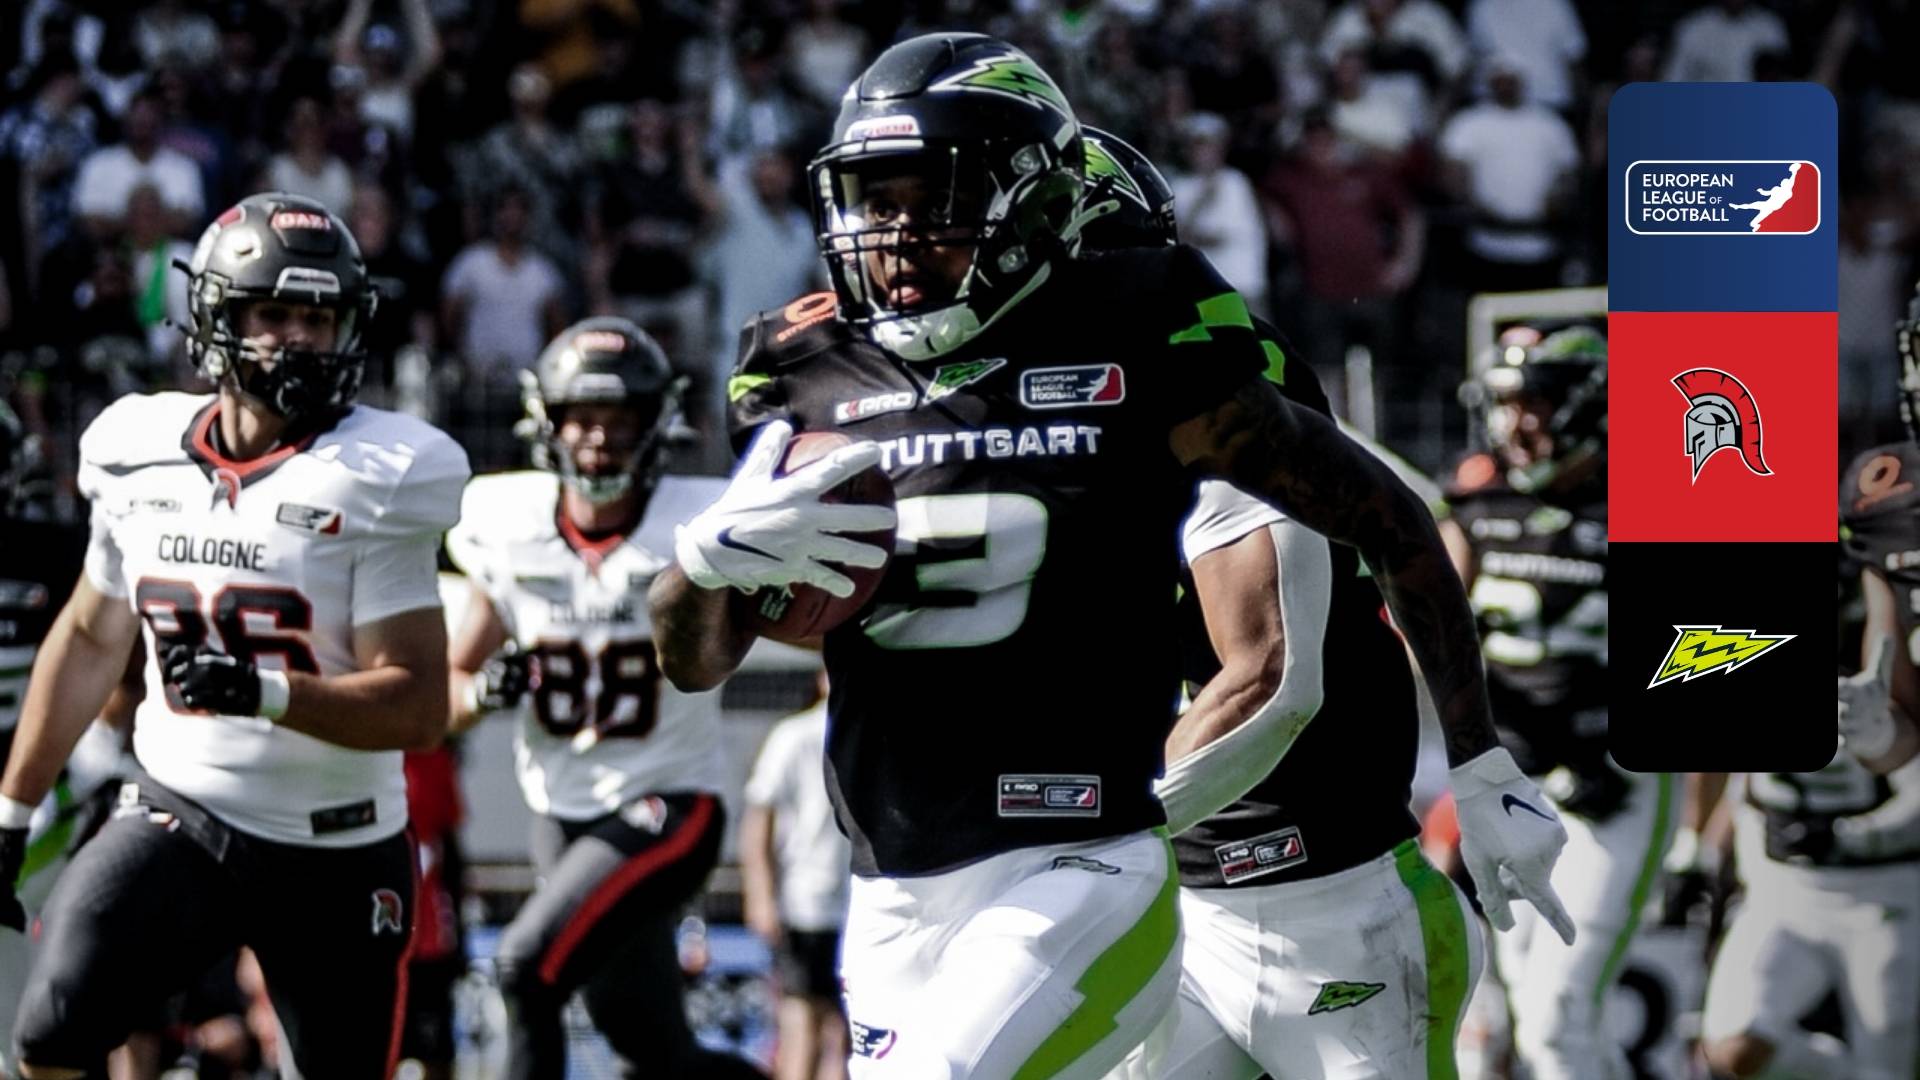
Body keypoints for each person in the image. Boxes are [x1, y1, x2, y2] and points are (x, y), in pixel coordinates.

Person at [650, 34, 1568, 1079]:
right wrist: (704, 568)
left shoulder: (1171, 368)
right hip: (972, 878)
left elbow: (1278, 675)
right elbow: (745, 640)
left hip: (1297, 884)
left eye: (934, 200)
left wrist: (1478, 759)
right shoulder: (827, 375)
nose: (901, 236)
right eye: (878, 201)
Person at [0, 191, 469, 1078]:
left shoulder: (381, 472)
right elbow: (93, 637)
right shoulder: (135, 448)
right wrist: (11, 809)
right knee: (50, 1033)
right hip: (183, 812)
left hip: (336, 847)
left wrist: (264, 693)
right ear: (217, 318)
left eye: (318, 319)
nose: (299, 340)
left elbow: (415, 707)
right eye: (274, 315)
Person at [1076, 126, 1495, 1079]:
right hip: (1187, 905)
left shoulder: (1208, 379)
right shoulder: (1041, 415)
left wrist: (1081, 832)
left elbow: (1270, 677)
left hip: (1333, 900)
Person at [444, 317, 762, 1080]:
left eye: (620, 419)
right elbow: (447, 692)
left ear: (656, 424)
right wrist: (484, 691)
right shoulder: (507, 524)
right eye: (582, 418)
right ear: (547, 422)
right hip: (561, 815)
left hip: (669, 804)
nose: (599, 439)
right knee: (650, 1049)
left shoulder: (698, 520)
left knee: (525, 969)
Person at [1700, 286, 1920, 1080]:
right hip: (1784, 873)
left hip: (1887, 871)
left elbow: (1900, 711)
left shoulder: (1874, 561)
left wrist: (1885, 740)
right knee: (1733, 1047)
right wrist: (1704, 842)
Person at [1440, 326, 1660, 1080]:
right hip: (1514, 788)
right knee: (1538, 1020)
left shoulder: (1650, 503)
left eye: (1534, 403)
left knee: (1557, 1021)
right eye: (1507, 403)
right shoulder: (1477, 500)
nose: (1517, 424)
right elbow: (1424, 639)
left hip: (1613, 787)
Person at [742, 675, 852, 1080]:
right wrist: (761, 895)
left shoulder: (876, 730)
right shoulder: (794, 736)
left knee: (848, 1032)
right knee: (801, 1022)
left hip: (861, 904)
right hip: (807, 902)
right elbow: (759, 819)